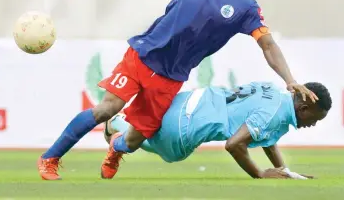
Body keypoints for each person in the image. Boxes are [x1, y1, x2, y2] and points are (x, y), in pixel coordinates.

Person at [38, 0, 317, 180]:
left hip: (170, 77)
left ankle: (117, 148)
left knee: (135, 139)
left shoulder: (245, 6)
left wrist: (289, 79)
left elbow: (267, 45)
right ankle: (50, 158)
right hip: (143, 54)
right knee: (106, 110)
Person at [105, 82, 331, 179]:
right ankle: (120, 128)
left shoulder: (274, 92)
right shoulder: (277, 114)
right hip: (188, 125)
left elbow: (263, 134)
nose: (314, 124)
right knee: (172, 154)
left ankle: (123, 127)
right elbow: (234, 144)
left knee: (155, 130)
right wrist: (259, 173)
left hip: (191, 99)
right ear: (303, 108)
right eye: (316, 118)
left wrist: (282, 170)